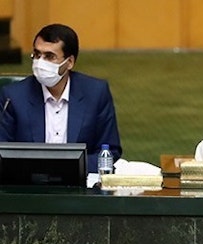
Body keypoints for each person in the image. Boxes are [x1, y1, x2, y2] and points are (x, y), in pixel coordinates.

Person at [0, 23, 121, 174]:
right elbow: (3, 152)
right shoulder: (13, 96)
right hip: (30, 186)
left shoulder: (96, 93)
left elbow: (110, 151)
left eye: (49, 56)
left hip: (80, 188)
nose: (40, 63)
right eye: (37, 55)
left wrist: (66, 171)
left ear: (69, 62)